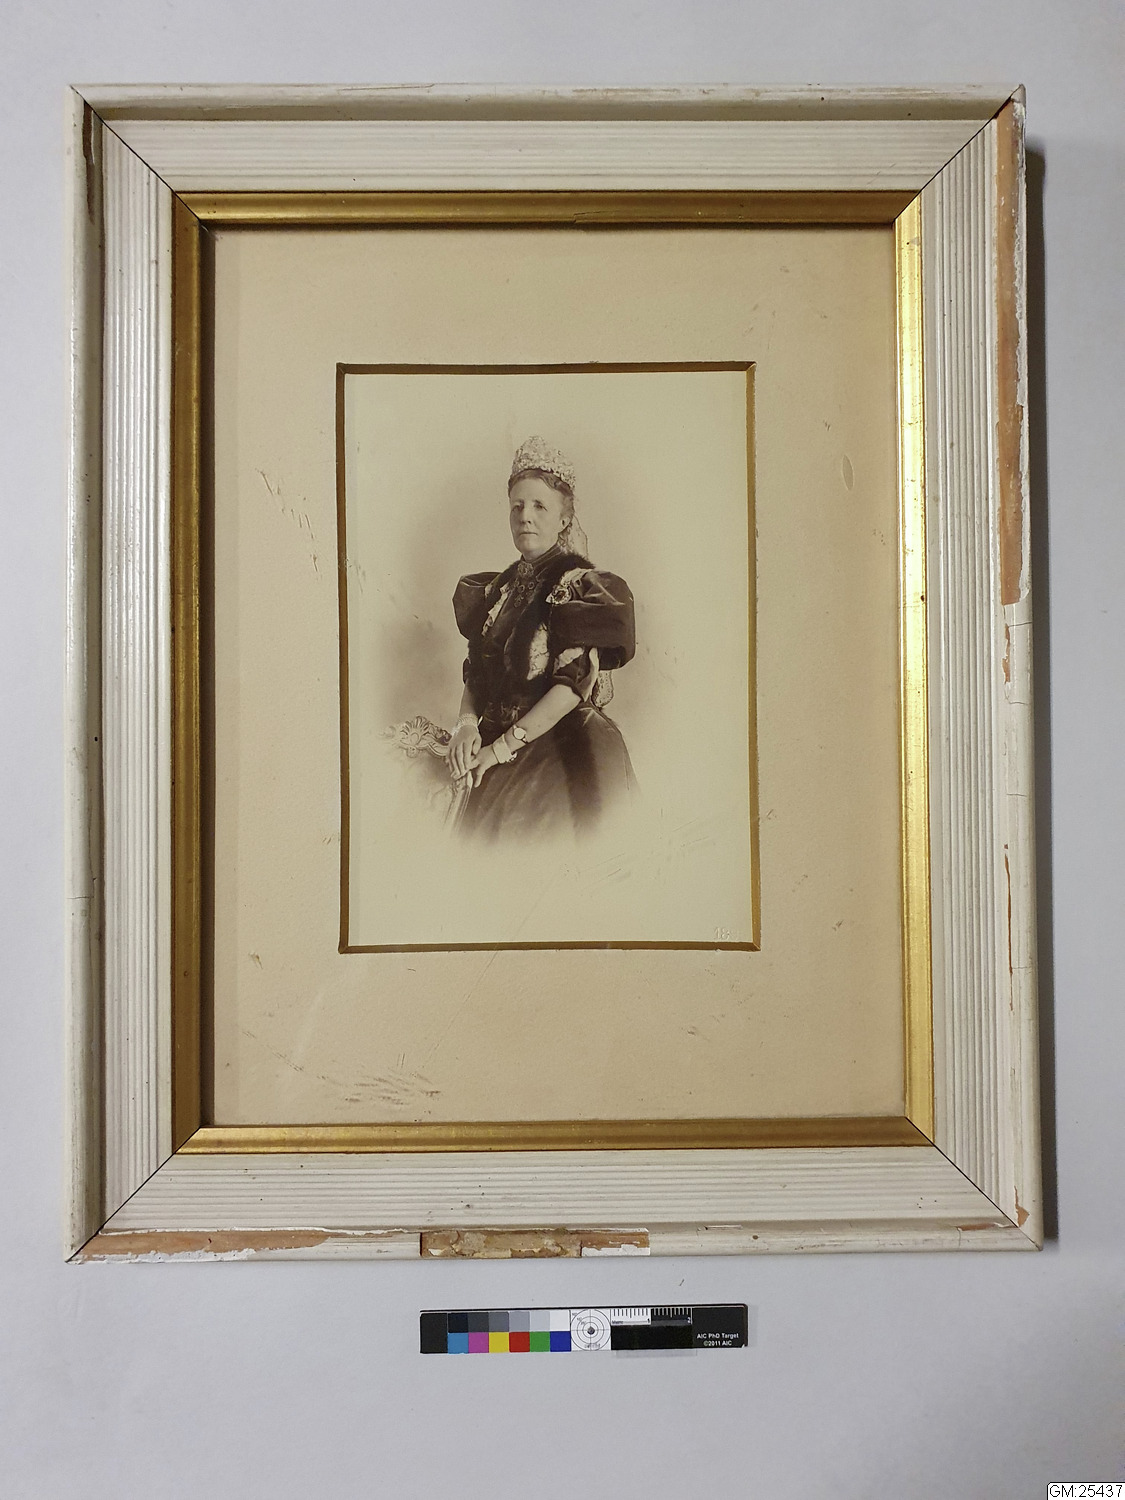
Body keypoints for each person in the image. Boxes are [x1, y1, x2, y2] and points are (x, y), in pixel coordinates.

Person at [448, 436, 637, 842]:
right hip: (494, 739)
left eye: (539, 506)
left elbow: (571, 689)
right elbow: (477, 673)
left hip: (559, 747)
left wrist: (498, 751)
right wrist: (465, 725)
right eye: (517, 506)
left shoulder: (575, 588)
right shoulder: (497, 591)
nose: (525, 517)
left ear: (564, 520)